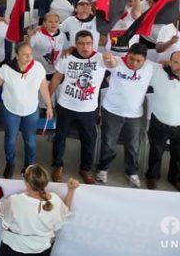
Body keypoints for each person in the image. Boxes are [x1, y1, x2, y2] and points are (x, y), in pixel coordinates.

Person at [49, 30, 106, 184]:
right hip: (65, 106)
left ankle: (86, 169)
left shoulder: (101, 59)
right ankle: (57, 165)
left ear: (93, 44)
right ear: (75, 44)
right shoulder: (67, 57)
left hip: (88, 109)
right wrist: (48, 100)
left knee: (89, 139)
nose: (85, 47)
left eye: (88, 43)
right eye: (81, 43)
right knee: (60, 137)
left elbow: (117, 63)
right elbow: (57, 77)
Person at [0, 42, 53, 179]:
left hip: (31, 111)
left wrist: (49, 106)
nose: (29, 57)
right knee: (10, 140)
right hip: (11, 111)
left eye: (30, 54)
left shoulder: (38, 68)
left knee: (30, 140)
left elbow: (43, 87)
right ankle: (10, 163)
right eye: (25, 55)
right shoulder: (6, 69)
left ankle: (29, 166)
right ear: (17, 56)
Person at [95, 44, 154, 188]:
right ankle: (103, 169)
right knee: (108, 142)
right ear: (127, 55)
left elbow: (168, 65)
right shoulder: (118, 62)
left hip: (134, 115)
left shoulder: (151, 67)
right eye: (131, 59)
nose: (134, 63)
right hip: (111, 111)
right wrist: (107, 57)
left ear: (145, 60)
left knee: (133, 145)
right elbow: (107, 61)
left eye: (138, 61)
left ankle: (132, 171)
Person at [0, 165, 79, 256]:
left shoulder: (15, 200)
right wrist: (71, 190)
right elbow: (65, 210)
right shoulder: (55, 199)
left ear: (26, 182)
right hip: (43, 249)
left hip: (14, 248)